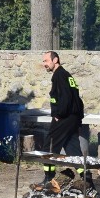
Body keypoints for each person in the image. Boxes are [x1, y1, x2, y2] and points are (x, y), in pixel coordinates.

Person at [40, 51, 92, 187]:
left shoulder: (60, 76)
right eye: (43, 61)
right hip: (72, 118)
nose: (44, 64)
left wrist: (59, 114)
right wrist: (77, 119)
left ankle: (49, 178)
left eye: (46, 61)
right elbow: (77, 99)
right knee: (73, 149)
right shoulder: (66, 75)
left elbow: (65, 98)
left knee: (49, 147)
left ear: (55, 60)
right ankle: (87, 179)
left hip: (64, 118)